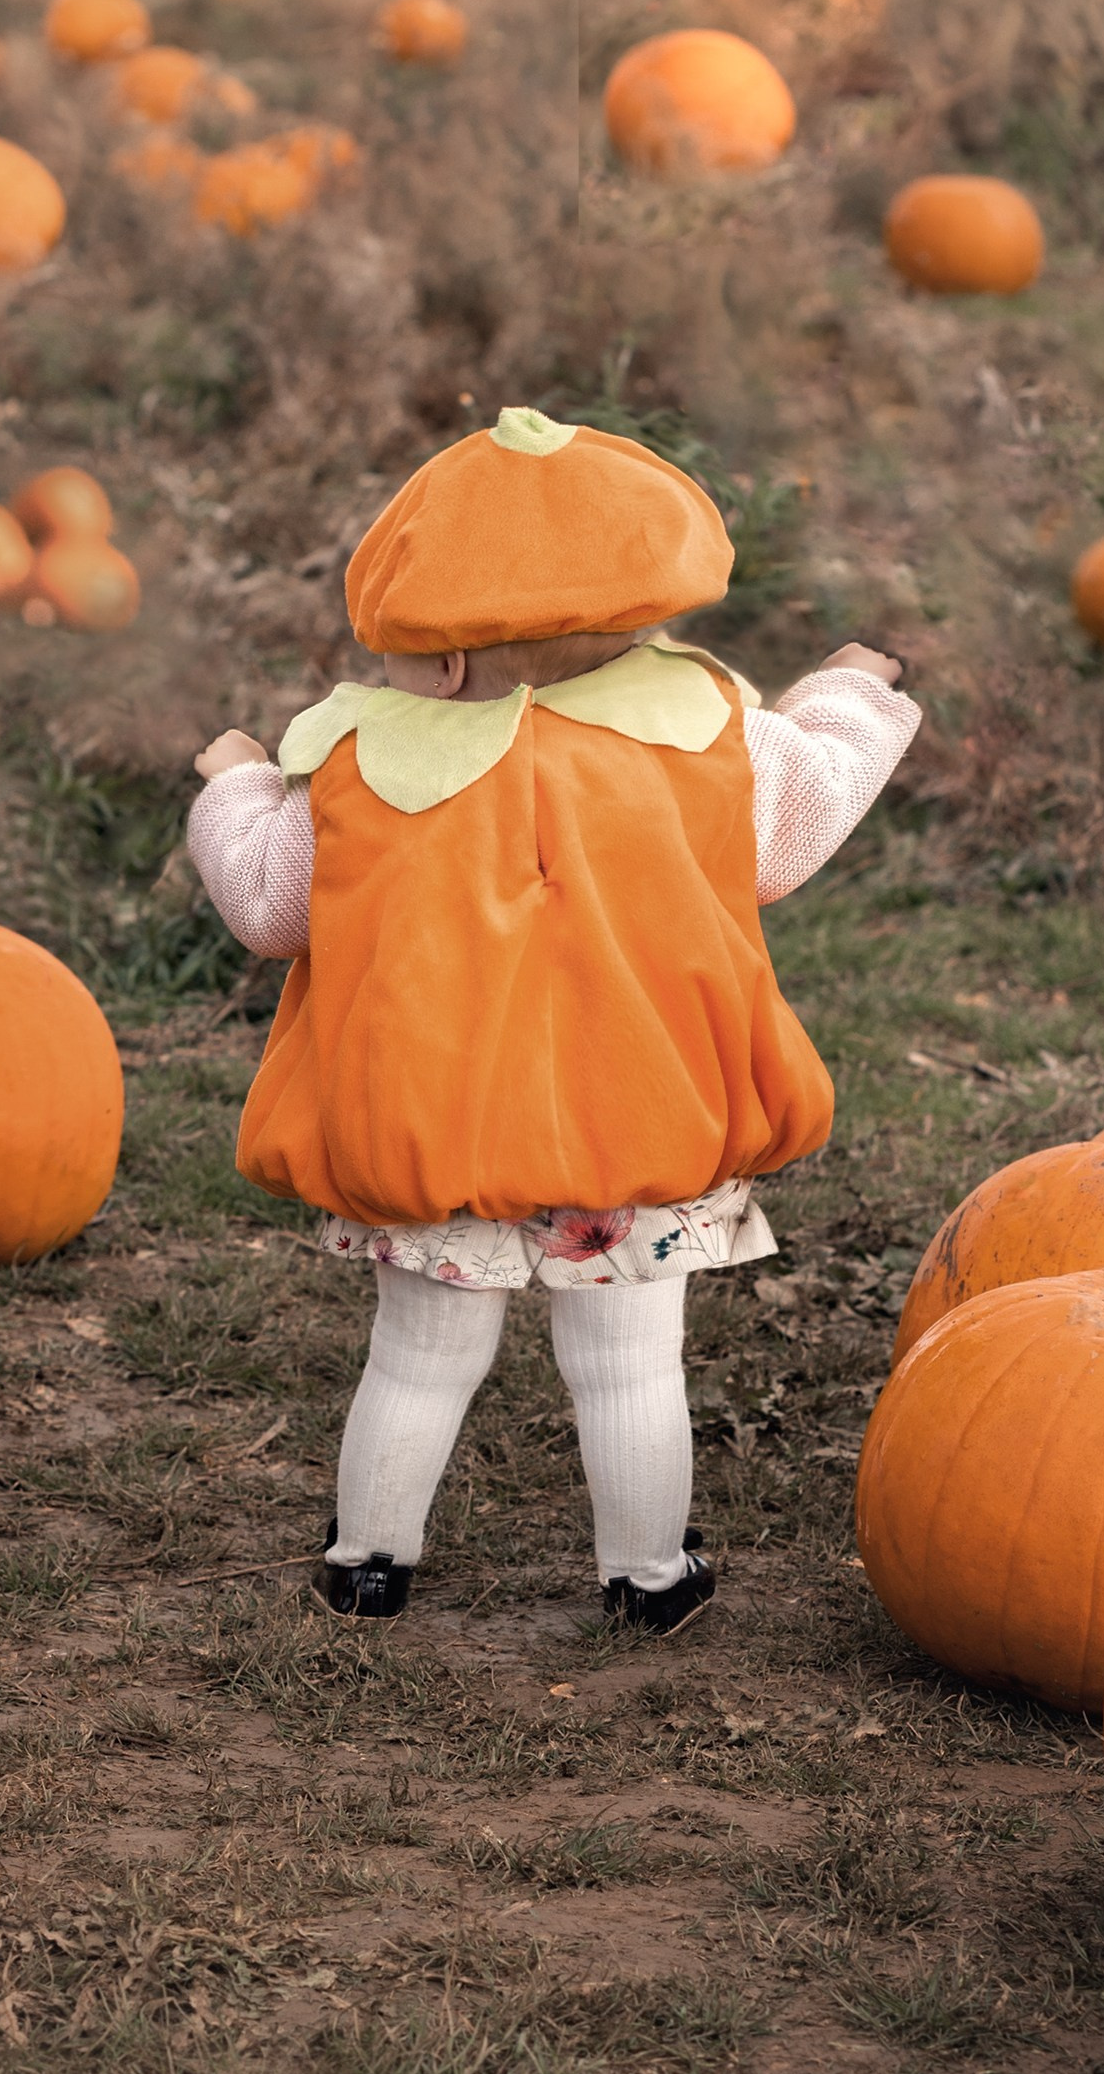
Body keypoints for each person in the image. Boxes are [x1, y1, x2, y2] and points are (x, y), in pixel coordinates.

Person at [186, 405, 919, 1633]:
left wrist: (236, 782)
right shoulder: (710, 737)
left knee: (418, 1359)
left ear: (450, 665)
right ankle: (648, 1577)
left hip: (436, 1138)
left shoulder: (363, 770)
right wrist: (849, 686)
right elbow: (808, 810)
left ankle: (369, 1561)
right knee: (629, 1366)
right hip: (634, 1135)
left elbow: (267, 903)